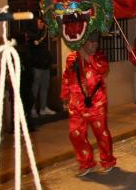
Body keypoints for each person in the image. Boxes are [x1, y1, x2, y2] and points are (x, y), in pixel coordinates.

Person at [61, 32, 116, 176]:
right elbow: (67, 76)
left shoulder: (100, 57)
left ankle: (107, 160)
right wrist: (65, 94)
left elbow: (103, 69)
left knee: (101, 133)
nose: (94, 45)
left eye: (96, 43)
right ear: (83, 43)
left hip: (96, 102)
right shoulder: (71, 58)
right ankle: (86, 162)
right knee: (75, 133)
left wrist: (85, 56)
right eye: (91, 42)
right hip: (77, 103)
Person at [28, 17, 56, 117]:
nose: (42, 24)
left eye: (43, 23)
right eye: (40, 22)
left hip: (45, 65)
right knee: (35, 88)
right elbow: (33, 46)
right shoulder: (32, 34)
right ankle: (32, 109)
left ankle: (43, 108)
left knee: (44, 87)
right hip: (37, 65)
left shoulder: (44, 34)